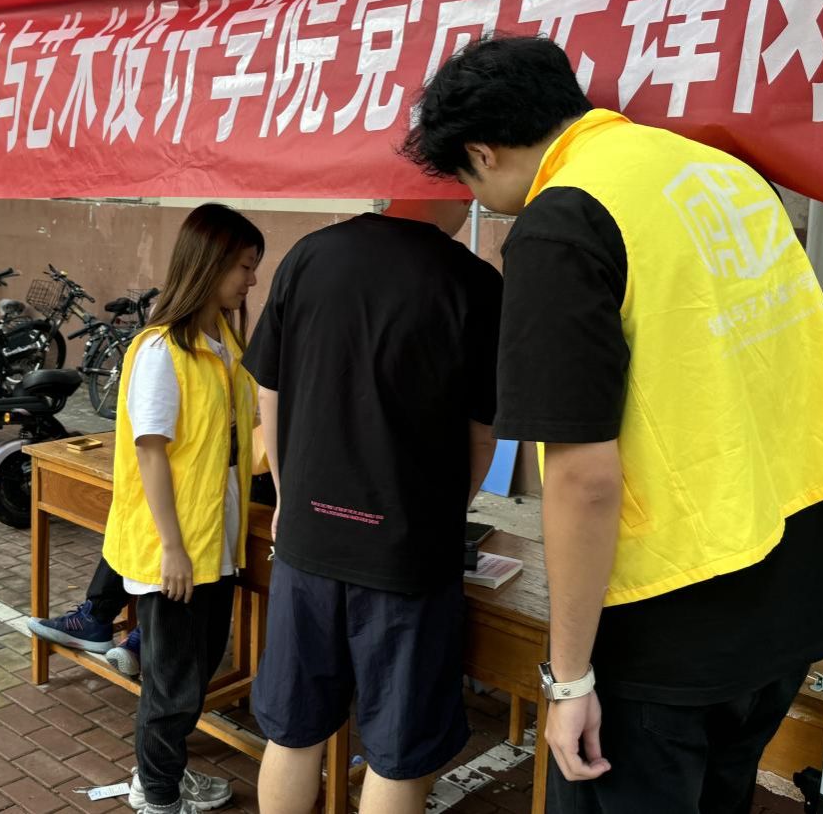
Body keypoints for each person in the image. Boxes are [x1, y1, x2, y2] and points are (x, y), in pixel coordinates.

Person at [402, 35, 823, 813]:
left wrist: (569, 679)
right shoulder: (721, 172)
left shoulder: (561, 221)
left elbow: (582, 476)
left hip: (674, 618)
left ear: (482, 153)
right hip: (799, 579)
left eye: (468, 181)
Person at [244, 199, 502, 814]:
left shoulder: (310, 254)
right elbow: (482, 432)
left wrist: (287, 492)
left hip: (308, 536)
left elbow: (268, 389)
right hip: (406, 554)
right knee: (397, 752)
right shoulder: (472, 281)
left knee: (293, 732)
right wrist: (444, 513)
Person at [101, 203, 264, 814]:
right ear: (210, 264)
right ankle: (159, 797)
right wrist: (172, 548)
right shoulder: (161, 350)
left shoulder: (224, 344)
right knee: (173, 686)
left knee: (193, 675)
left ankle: (156, 778)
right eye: (243, 266)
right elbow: (151, 454)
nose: (251, 279)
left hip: (214, 539)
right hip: (176, 549)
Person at [27, 431, 275, 679]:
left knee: (181, 540)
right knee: (145, 526)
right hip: (219, 476)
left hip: (250, 491)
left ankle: (143, 633)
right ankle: (107, 619)